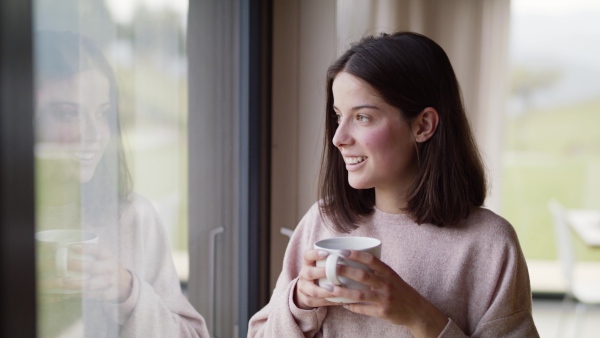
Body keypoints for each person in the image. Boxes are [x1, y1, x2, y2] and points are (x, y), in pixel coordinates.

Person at [248, 32, 539, 337]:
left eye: (362, 117)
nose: (338, 138)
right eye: (338, 117)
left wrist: (419, 315)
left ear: (423, 125)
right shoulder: (323, 222)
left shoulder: (490, 245)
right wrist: (299, 302)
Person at [35, 30, 210, 338]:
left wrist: (127, 291)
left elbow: (192, 334)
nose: (94, 134)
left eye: (102, 113)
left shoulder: (133, 217)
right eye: (67, 114)